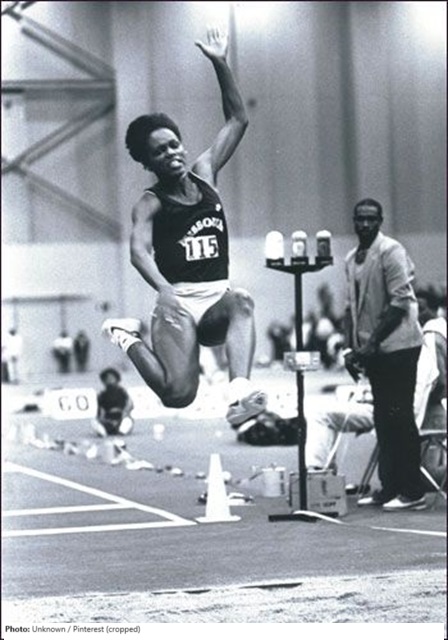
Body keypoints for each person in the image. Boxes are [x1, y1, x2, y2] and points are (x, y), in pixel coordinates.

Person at [102, 28, 266, 428]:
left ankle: (238, 393)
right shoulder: (151, 202)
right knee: (178, 395)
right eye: (159, 152)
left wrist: (219, 62)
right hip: (178, 302)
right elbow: (138, 251)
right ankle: (126, 335)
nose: (171, 154)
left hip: (216, 301)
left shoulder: (206, 174)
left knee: (242, 300)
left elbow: (238, 119)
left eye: (173, 144)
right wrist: (164, 289)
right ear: (148, 163)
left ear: (182, 144)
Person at [306, 288, 447, 477]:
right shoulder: (426, 338)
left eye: (419, 309)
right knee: (330, 405)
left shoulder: (428, 339)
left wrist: (378, 396)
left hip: (399, 413)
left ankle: (316, 475)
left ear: (433, 309)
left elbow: (427, 388)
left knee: (320, 414)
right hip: (402, 407)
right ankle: (322, 477)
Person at [342, 198, 424, 511]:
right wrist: (350, 349)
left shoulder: (391, 251)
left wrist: (372, 343)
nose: (365, 224)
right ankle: (390, 487)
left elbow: (401, 301)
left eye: (371, 219)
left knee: (399, 416)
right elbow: (350, 308)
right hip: (373, 349)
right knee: (382, 419)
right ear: (353, 221)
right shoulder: (351, 259)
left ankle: (412, 491)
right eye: (360, 219)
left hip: (400, 346)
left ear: (380, 221)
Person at [92, 368, 134, 437]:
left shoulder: (122, 392)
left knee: (127, 421)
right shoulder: (102, 395)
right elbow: (99, 412)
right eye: (107, 379)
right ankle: (103, 432)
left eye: (111, 378)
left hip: (120, 418)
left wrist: (124, 415)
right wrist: (104, 420)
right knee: (94, 422)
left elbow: (130, 405)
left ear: (116, 379)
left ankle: (121, 431)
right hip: (108, 420)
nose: (109, 380)